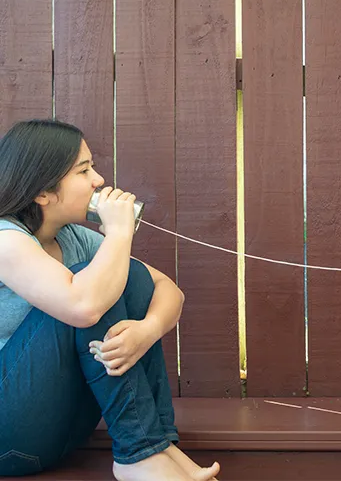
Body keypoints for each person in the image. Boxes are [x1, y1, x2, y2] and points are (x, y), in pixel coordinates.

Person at [0, 120, 221, 480]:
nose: (98, 180)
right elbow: (82, 306)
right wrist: (119, 232)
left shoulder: (73, 238)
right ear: (43, 191)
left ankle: (157, 445)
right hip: (7, 432)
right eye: (84, 170)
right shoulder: (5, 239)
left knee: (128, 276)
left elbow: (168, 290)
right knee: (93, 284)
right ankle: (139, 455)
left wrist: (145, 332)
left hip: (58, 431)